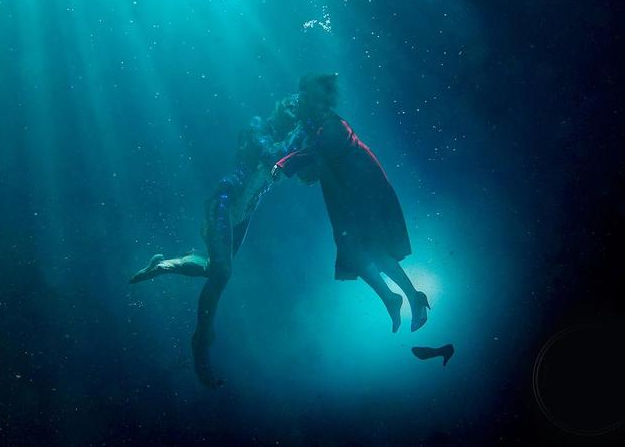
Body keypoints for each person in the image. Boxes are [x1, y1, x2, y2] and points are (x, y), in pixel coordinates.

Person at [130, 95, 303, 388]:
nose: (293, 110)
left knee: (213, 268)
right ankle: (202, 340)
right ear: (278, 105)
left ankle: (163, 265)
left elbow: (299, 170)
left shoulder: (290, 141)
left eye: (299, 108)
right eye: (290, 104)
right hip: (223, 201)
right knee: (223, 271)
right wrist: (304, 129)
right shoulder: (258, 126)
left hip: (243, 215)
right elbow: (270, 155)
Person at [272, 74, 430, 333]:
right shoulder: (316, 129)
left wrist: (284, 163)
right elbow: (313, 159)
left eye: (303, 99)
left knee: (372, 250)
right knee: (356, 254)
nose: (298, 103)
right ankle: (395, 298)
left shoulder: (334, 126)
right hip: (346, 198)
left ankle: (411, 296)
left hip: (364, 195)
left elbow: (317, 152)